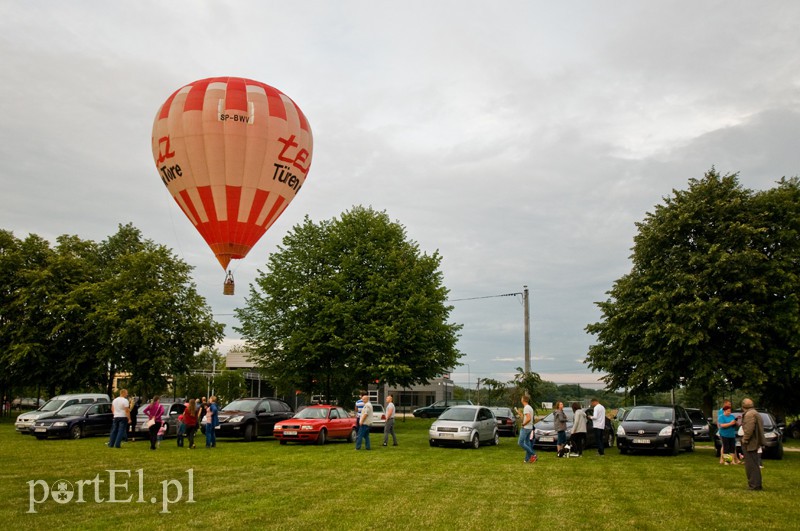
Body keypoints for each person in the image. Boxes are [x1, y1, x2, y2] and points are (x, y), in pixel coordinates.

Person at [741, 398, 766, 490]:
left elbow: (749, 429)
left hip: (751, 443)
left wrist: (745, 440)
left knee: (751, 465)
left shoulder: (749, 415)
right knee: (755, 463)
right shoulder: (755, 413)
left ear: (743, 406)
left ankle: (754, 485)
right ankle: (757, 484)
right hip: (756, 441)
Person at [517, 395, 537, 463]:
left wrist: (523, 424)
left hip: (525, 428)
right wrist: (520, 414)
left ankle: (533, 454)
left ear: (523, 399)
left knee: (520, 442)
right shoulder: (529, 407)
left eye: (521, 398)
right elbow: (525, 418)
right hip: (529, 428)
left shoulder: (526, 408)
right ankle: (526, 459)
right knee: (527, 443)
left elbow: (528, 419)